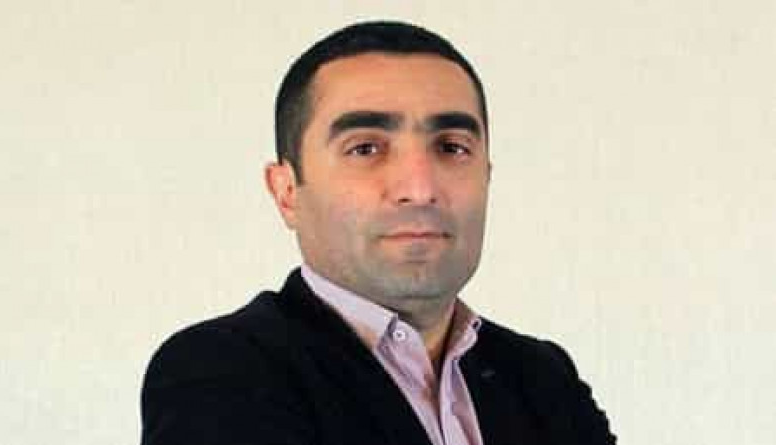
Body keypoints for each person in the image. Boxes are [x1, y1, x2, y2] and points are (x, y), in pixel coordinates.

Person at [140, 21, 616, 445]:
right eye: (366, 148)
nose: (420, 188)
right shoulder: (220, 372)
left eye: (451, 147)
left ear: (487, 176)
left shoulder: (543, 379)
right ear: (286, 192)